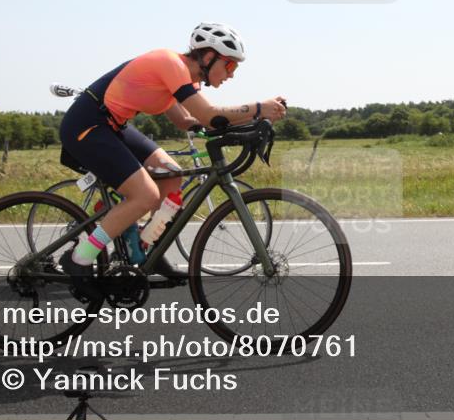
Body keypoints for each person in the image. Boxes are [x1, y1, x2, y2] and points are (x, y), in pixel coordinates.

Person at [57, 22, 286, 297]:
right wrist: (259, 108)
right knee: (145, 195)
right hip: (88, 123)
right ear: (209, 55)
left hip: (114, 126)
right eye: (229, 66)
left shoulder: (185, 79)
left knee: (172, 176)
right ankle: (78, 258)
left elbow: (188, 120)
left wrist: (253, 120)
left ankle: (146, 248)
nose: (231, 75)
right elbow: (210, 115)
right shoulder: (170, 64)